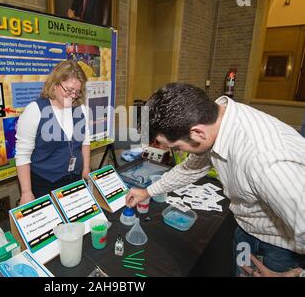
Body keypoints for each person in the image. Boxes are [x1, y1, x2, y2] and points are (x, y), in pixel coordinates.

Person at [126, 83, 305, 277]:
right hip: (246, 231)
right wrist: (148, 191)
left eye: (176, 147)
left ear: (197, 133)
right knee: (242, 272)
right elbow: (189, 169)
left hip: (279, 249)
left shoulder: (267, 161)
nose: (178, 153)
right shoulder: (219, 119)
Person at [15, 60, 91, 205]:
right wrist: (26, 193)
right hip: (45, 183)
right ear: (55, 84)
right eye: (68, 90)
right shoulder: (35, 110)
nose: (72, 95)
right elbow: (22, 155)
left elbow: (85, 142)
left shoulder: (81, 109)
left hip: (75, 179)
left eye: (77, 91)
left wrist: (86, 169)